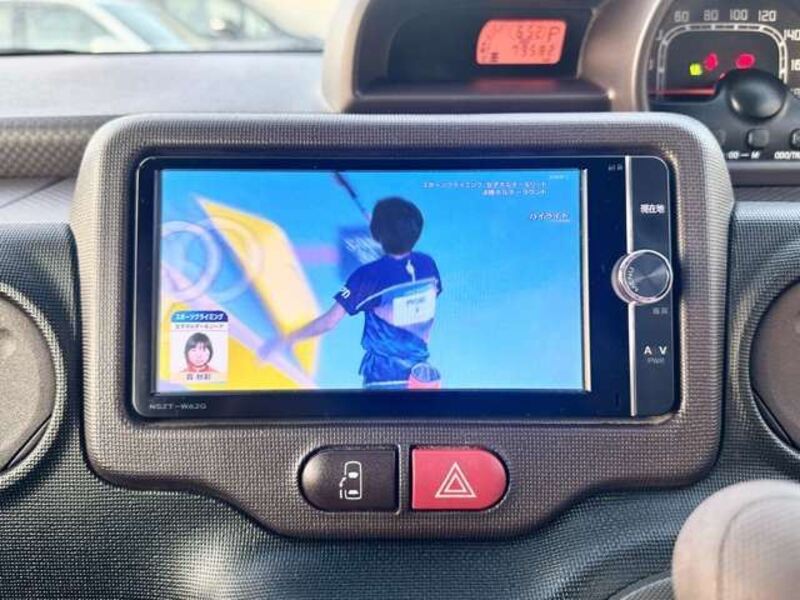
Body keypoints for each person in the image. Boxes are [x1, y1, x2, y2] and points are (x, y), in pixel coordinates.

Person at [261, 196, 442, 389]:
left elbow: (329, 322)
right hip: (422, 380)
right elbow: (401, 277)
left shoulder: (368, 276)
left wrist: (286, 340)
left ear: (377, 233)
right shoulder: (427, 265)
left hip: (385, 380)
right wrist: (388, 236)